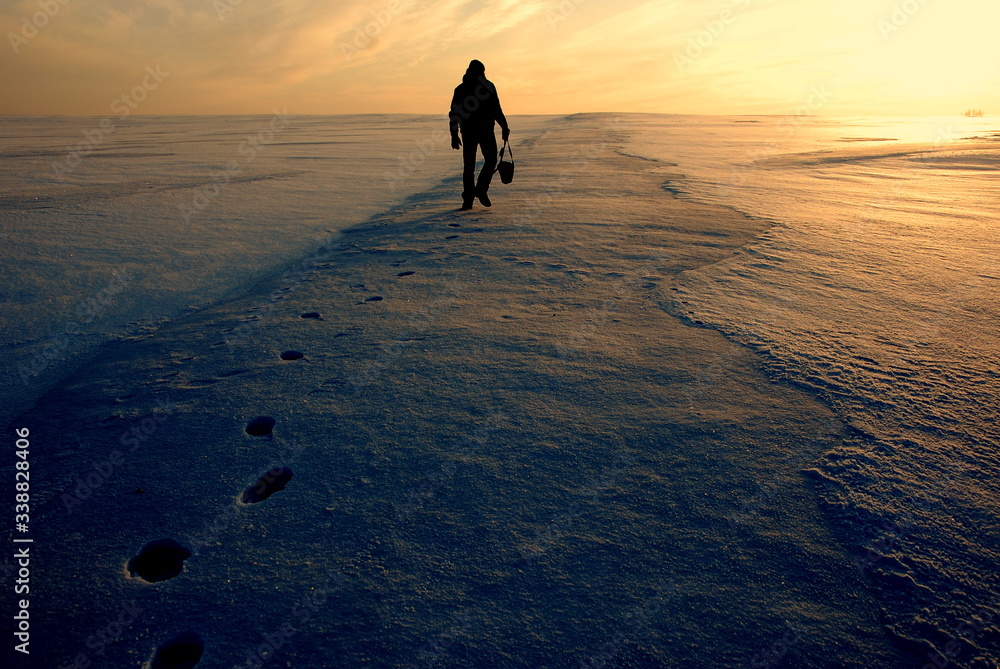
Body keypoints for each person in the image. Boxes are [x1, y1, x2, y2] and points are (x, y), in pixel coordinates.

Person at [449, 60, 510, 210]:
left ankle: (471, 196)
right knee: (488, 161)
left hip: (472, 131)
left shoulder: (461, 89)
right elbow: (496, 109)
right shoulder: (485, 87)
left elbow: (454, 114)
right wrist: (504, 126)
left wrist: (454, 134)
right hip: (482, 131)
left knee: (471, 165)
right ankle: (478, 192)